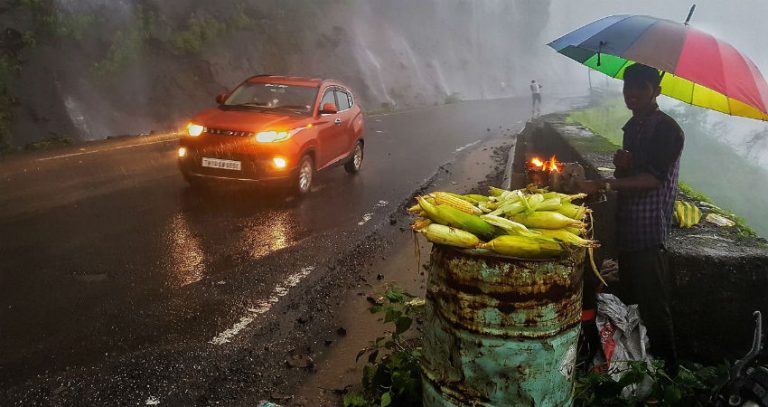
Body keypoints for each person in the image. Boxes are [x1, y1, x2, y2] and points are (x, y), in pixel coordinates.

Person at [577, 63, 684, 373]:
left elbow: (652, 179)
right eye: (628, 88)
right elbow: (635, 172)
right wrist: (624, 165)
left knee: (655, 308)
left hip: (650, 233)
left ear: (656, 91)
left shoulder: (668, 129)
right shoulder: (632, 127)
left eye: (641, 87)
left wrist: (603, 183)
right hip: (628, 229)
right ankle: (635, 366)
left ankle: (669, 374)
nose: (632, 94)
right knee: (632, 303)